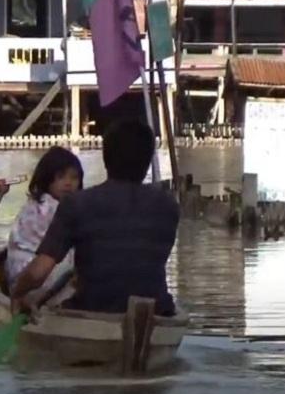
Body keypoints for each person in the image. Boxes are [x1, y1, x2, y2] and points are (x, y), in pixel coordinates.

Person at [11, 119, 180, 316]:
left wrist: (17, 292)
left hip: (92, 310)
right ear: (148, 160)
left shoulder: (76, 204)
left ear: (106, 157)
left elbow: (37, 273)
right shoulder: (169, 206)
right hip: (157, 310)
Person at [5, 147, 83, 289]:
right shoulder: (48, 207)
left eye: (74, 177)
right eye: (60, 177)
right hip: (32, 279)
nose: (68, 183)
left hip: (21, 275)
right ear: (47, 178)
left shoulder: (37, 204)